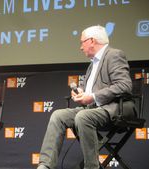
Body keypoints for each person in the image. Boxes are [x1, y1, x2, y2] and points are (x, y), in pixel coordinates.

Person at [37, 25, 135, 169]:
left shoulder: (114, 55)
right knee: (58, 115)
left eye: (82, 42)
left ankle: (91, 167)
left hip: (116, 108)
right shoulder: (93, 63)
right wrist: (81, 91)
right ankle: (45, 166)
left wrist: (93, 96)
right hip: (93, 109)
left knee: (83, 116)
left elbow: (124, 85)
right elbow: (89, 89)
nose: (81, 47)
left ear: (92, 41)